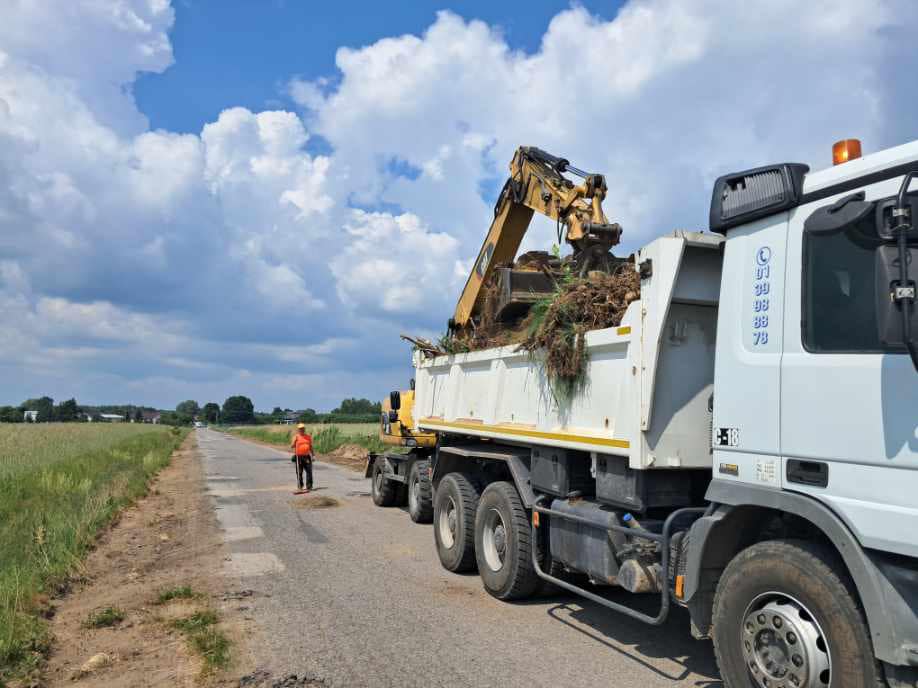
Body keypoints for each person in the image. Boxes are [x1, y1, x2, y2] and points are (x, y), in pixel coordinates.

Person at [289, 423, 314, 493]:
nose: (302, 430)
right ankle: (300, 486)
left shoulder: (308, 437)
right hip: (298, 456)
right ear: (298, 430)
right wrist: (294, 442)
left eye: (303, 428)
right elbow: (292, 446)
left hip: (307, 456)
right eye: (300, 429)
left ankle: (309, 486)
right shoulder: (296, 436)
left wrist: (313, 455)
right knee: (299, 472)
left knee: (309, 471)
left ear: (304, 429)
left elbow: (311, 447)